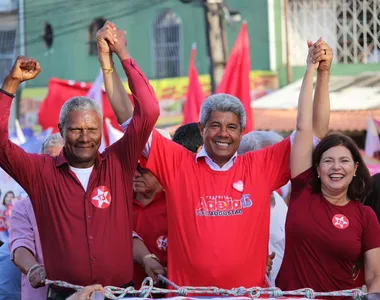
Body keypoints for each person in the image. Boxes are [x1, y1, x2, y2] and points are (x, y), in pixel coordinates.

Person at [105, 29, 332, 288]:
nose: (223, 134)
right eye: (215, 126)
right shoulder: (177, 164)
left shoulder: (260, 165)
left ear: (241, 132)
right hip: (186, 296)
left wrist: (322, 73)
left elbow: (314, 133)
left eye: (232, 127)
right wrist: (114, 58)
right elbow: (129, 120)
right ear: (201, 129)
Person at [0, 21, 160, 300]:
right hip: (64, 295)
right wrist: (10, 84)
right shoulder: (40, 172)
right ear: (61, 131)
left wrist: (121, 54)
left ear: (101, 130)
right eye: (75, 129)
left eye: (92, 129)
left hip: (120, 294)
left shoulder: (119, 162)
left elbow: (148, 112)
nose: (85, 137)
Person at [276, 39, 380, 293]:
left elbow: (376, 273)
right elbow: (304, 127)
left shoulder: (365, 217)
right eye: (328, 161)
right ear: (317, 169)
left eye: (344, 161)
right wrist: (314, 70)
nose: (336, 167)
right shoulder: (302, 193)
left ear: (355, 168)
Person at [8, 133, 64, 300]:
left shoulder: (86, 200)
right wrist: (33, 269)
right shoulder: (23, 207)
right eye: (48, 160)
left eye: (60, 160)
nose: (54, 167)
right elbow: (20, 247)